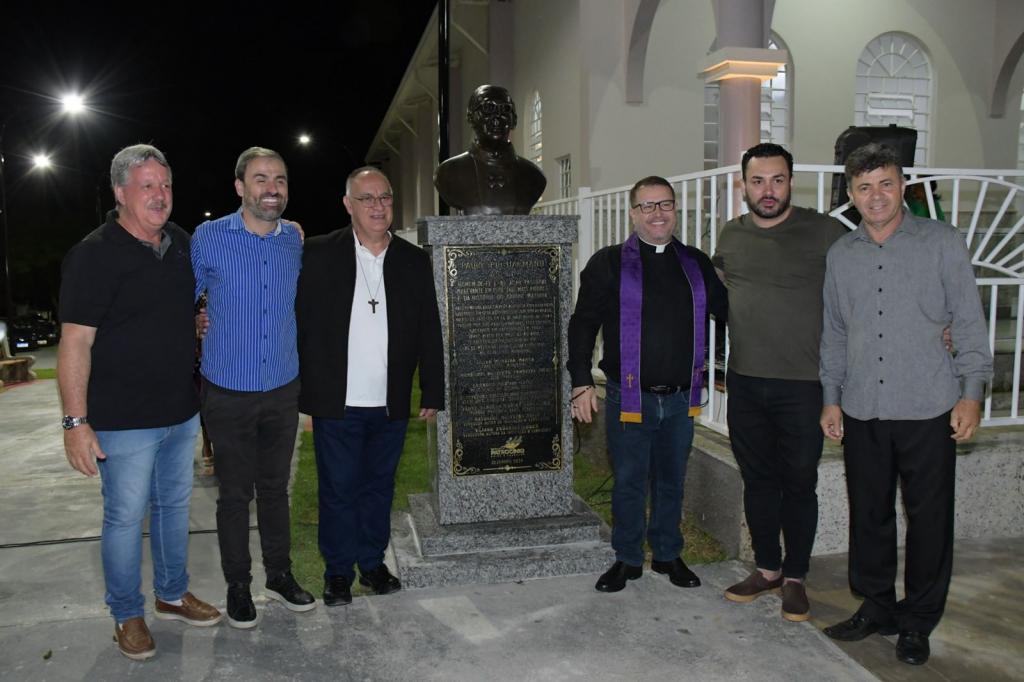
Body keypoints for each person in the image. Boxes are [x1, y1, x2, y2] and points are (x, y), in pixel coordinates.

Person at [819, 143, 992, 666]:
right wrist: (831, 398)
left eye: (886, 184)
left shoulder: (942, 243)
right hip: (863, 407)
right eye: (865, 187)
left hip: (929, 406)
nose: (877, 196)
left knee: (929, 520)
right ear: (851, 194)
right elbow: (834, 333)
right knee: (869, 516)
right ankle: (877, 607)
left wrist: (972, 394)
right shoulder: (841, 255)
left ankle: (918, 621)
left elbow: (967, 322)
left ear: (903, 186)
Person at [57, 144, 221, 661]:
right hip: (123, 421)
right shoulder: (93, 254)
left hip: (179, 411)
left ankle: (171, 594)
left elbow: (183, 307)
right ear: (121, 192)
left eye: (166, 185)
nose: (160, 195)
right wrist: (75, 422)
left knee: (174, 508)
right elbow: (75, 342)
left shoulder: (180, 242)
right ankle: (127, 613)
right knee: (125, 518)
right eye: (147, 185)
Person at [567, 175, 727, 593]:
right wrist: (581, 382)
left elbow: (726, 311)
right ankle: (627, 558)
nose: (658, 213)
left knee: (672, 480)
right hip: (629, 395)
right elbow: (583, 325)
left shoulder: (695, 263)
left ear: (675, 210)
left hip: (679, 399)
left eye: (665, 204)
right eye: (648, 206)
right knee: (630, 480)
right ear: (634, 213)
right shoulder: (608, 263)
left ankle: (668, 554)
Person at [296, 167, 444, 606]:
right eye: (367, 199)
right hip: (337, 400)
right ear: (348, 205)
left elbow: (428, 330)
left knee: (380, 486)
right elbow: (294, 318)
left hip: (390, 401)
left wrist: (432, 390)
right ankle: (338, 572)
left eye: (385, 198)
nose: (378, 207)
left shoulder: (414, 260)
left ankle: (372, 565)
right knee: (338, 488)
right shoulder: (318, 254)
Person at [712, 143, 848, 622]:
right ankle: (767, 569)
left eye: (777, 180)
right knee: (758, 480)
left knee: (799, 483)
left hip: (803, 385)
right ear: (743, 184)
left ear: (791, 181)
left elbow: (862, 283)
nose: (767, 191)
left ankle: (795, 577)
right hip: (745, 384)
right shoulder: (732, 235)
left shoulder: (826, 232)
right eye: (757, 181)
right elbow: (723, 287)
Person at [191, 147, 315, 629]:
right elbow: (183, 298)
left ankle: (279, 575)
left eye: (280, 180)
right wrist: (195, 321)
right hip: (227, 390)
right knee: (234, 495)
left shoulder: (294, 242)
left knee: (275, 490)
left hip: (283, 387)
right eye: (261, 179)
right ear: (240, 186)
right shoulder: (208, 238)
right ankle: (237, 585)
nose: (272, 188)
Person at [433, 84, 546, 215]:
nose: (497, 118)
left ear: (514, 120)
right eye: (488, 108)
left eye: (505, 109)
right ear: (471, 117)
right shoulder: (448, 173)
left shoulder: (534, 176)